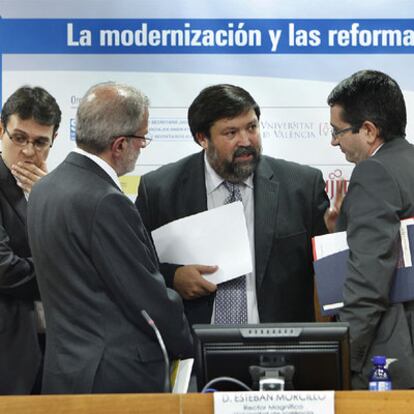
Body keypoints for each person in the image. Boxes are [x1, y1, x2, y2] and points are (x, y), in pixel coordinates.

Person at [27, 82, 193, 394]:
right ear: (119, 145)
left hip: (65, 373)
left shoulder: (44, 189)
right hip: (113, 380)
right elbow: (147, 298)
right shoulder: (106, 201)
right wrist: (193, 346)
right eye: (142, 139)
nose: (142, 147)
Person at [136, 84, 329, 327]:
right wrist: (172, 277)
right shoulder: (160, 190)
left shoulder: (302, 186)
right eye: (231, 133)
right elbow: (135, 267)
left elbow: (328, 274)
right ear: (202, 138)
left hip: (279, 348)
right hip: (195, 345)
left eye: (252, 127)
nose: (246, 141)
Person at [328, 70, 414, 389]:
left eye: (338, 131)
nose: (334, 141)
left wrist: (342, 359)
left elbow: (368, 281)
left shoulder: (373, 172)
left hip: (391, 361)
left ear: (368, 130)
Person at [0, 86, 61, 394]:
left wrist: (46, 201)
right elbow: (5, 269)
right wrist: (67, 272)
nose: (27, 151)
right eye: (19, 138)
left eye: (40, 142)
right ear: (1, 131)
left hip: (58, 349)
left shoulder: (55, 192)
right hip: (9, 352)